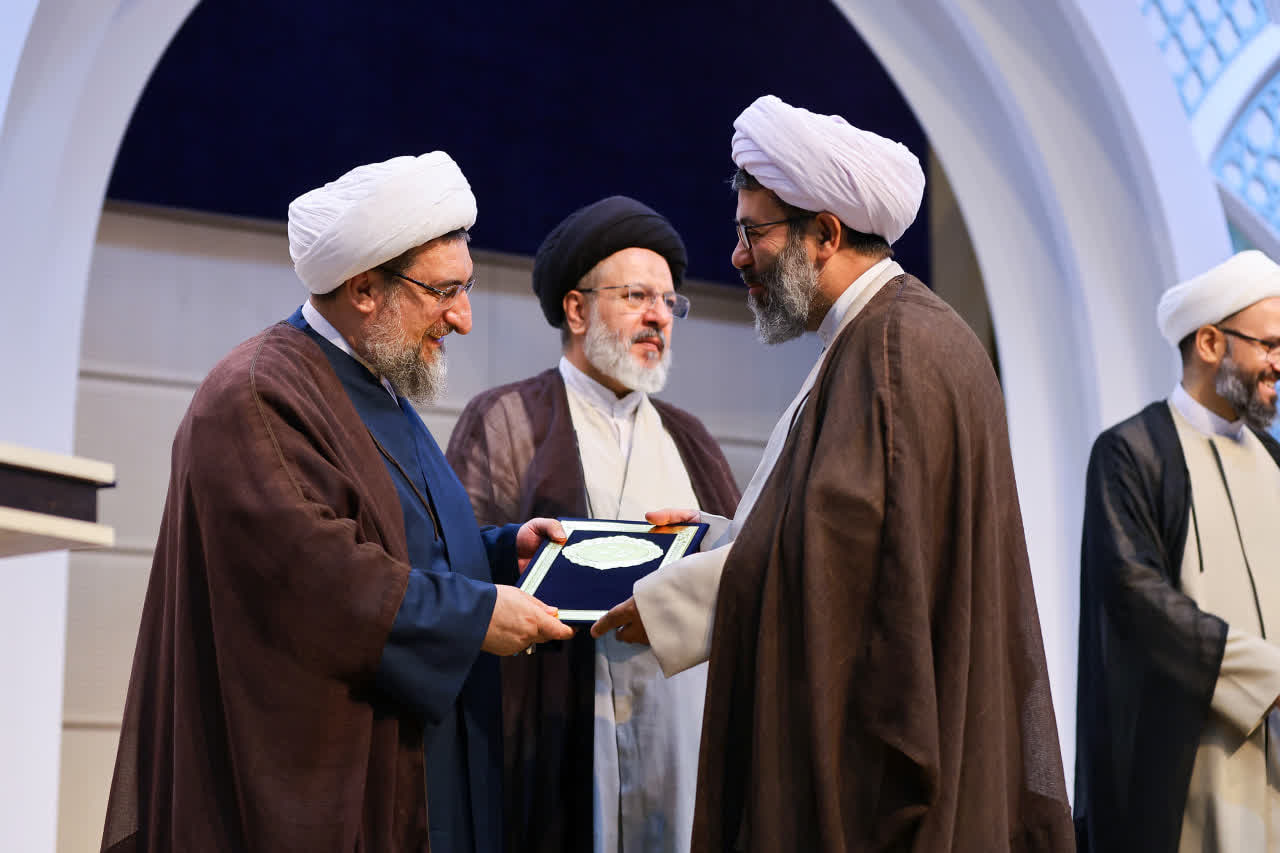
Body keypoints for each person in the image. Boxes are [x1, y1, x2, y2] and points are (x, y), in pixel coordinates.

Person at [592, 95, 1074, 850]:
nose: (738, 256)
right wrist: (720, 538)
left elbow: (852, 581)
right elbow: (840, 529)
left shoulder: (889, 355)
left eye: (753, 233)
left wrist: (673, 601)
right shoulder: (897, 336)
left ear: (825, 234)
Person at [100, 152, 573, 853]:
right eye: (444, 291)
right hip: (315, 789)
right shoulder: (257, 393)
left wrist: (504, 554)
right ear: (363, 289)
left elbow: (399, 540)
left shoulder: (373, 380)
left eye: (465, 288)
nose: (464, 318)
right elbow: (317, 580)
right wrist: (475, 613)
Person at [445, 195, 740, 853]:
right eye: (637, 296)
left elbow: (743, 571)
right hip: (556, 722)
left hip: (675, 731)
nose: (658, 316)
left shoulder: (691, 439)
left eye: (669, 302)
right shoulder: (506, 420)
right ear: (576, 310)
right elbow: (457, 573)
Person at [1075, 250, 1280, 852]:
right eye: (1269, 345)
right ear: (1211, 343)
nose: (1279, 363)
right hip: (1187, 771)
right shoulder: (1132, 454)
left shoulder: (1274, 460)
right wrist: (1270, 676)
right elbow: (1138, 602)